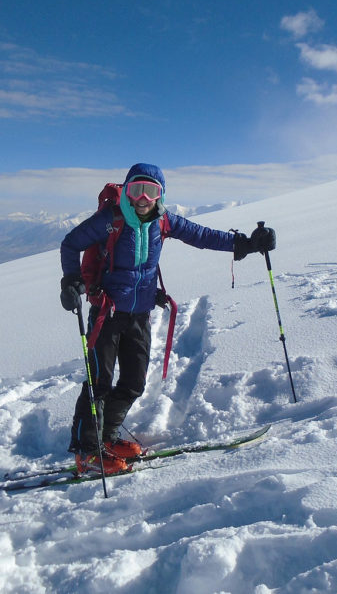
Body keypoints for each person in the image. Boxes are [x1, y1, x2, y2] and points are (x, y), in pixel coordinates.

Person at [59, 163, 276, 474]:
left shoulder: (164, 221)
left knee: (133, 383)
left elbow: (201, 235)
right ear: (127, 191)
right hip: (106, 313)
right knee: (99, 383)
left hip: (140, 314)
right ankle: (87, 452)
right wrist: (70, 280)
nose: (143, 198)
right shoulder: (110, 220)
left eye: (152, 191)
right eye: (136, 190)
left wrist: (245, 243)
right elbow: (71, 243)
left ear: (161, 195)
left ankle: (107, 438)